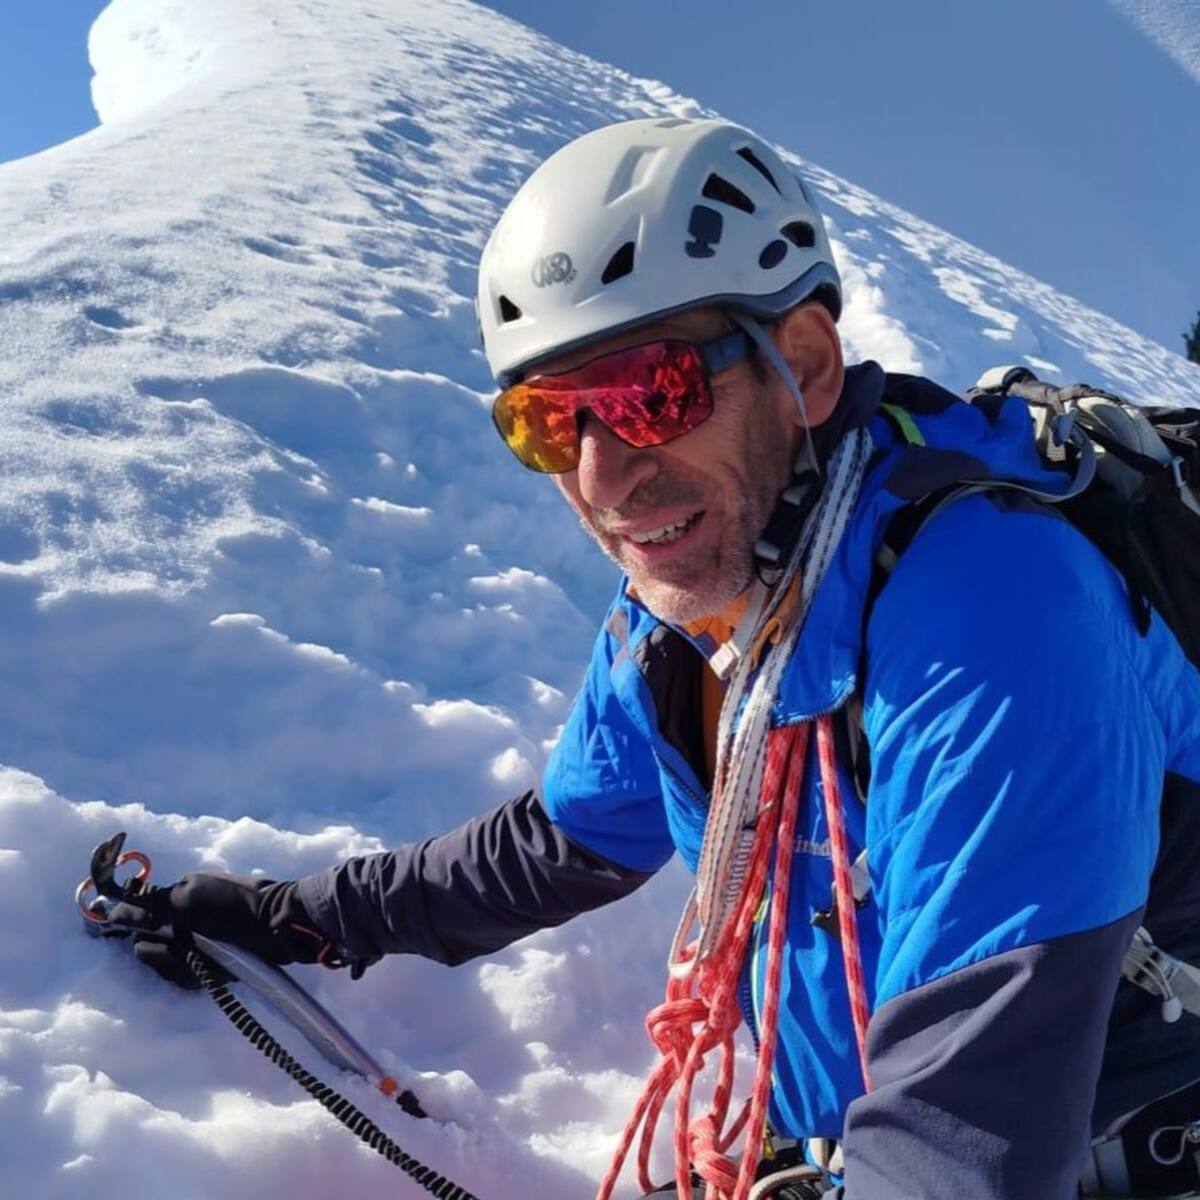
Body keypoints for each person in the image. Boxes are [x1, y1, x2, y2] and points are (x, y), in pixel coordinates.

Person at [114, 118, 1200, 1200]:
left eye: (651, 395)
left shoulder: (999, 609)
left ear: (807, 366)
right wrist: (292, 918)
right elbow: (555, 845)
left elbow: (966, 1137)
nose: (602, 477)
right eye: (549, 423)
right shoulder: (685, 622)